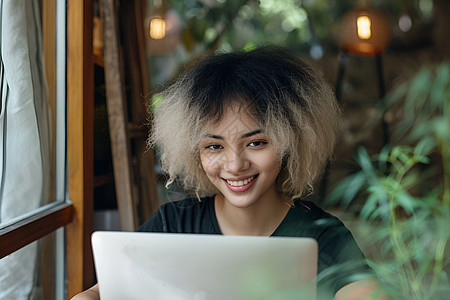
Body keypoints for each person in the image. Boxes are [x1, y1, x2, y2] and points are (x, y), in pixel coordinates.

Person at [72, 46, 386, 300]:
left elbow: (364, 292)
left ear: (291, 141)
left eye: (257, 142)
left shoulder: (323, 234)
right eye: (214, 147)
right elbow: (105, 290)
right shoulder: (172, 225)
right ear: (193, 150)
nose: (235, 165)